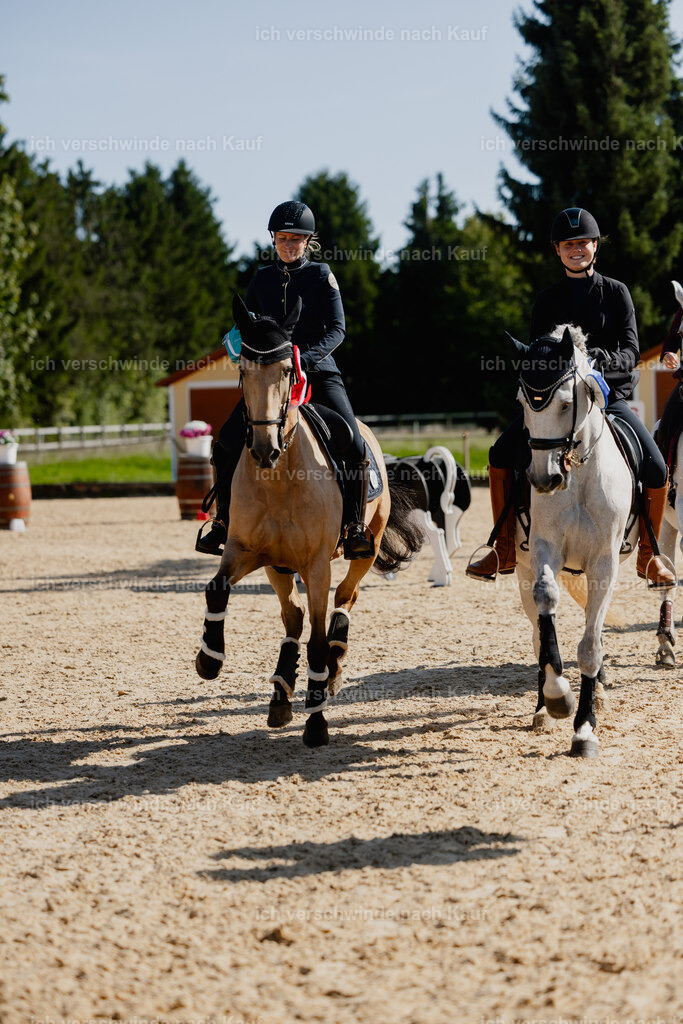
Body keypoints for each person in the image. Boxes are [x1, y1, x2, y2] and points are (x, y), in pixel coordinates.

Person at [467, 206, 675, 588]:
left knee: (657, 467)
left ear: (595, 246)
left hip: (606, 400)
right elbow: (536, 355)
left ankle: (649, 554)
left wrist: (595, 361)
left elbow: (631, 352)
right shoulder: (546, 300)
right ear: (557, 250)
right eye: (568, 244)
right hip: (556, 404)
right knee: (500, 453)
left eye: (583, 243)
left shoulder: (616, 293)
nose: (576, 249)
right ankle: (503, 547)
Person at [196, 200, 375, 560]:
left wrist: (303, 360)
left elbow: (338, 330)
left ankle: (354, 526)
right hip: (267, 380)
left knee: (352, 442)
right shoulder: (261, 279)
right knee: (227, 441)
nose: (289, 245)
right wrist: (234, 341)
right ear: (273, 239)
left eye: (297, 239)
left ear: (309, 241)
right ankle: (223, 523)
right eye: (283, 238)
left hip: (319, 373)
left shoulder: (322, 275)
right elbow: (245, 327)